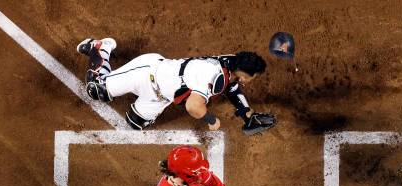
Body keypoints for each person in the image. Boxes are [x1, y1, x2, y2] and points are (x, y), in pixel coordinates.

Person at [75, 38, 276, 135]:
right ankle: (100, 48)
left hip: (159, 97)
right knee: (96, 90)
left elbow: (232, 88)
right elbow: (193, 107)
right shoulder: (213, 76)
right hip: (147, 73)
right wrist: (211, 119)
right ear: (242, 73)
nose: (251, 80)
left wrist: (247, 114)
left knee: (134, 123)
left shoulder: (232, 62)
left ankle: (137, 101)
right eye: (252, 77)